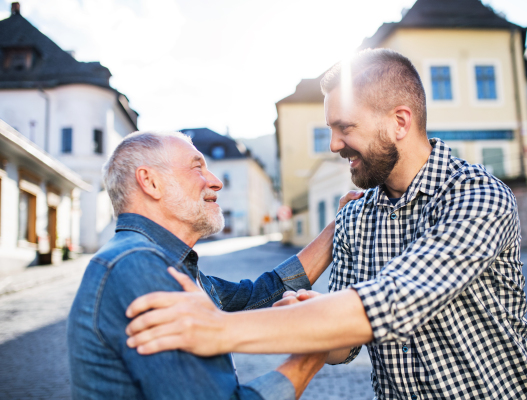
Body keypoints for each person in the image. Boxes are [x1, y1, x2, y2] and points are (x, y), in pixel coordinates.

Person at [125, 49, 527, 399]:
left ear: (399, 122)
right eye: (331, 129)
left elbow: (398, 299)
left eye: (345, 128)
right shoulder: (356, 217)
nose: (334, 145)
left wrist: (220, 331)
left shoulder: (477, 196)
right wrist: (310, 315)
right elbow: (345, 347)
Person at [67, 130, 360, 400]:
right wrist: (315, 346)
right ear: (150, 182)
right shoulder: (138, 266)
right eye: (197, 168)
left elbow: (264, 293)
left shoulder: (171, 265)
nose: (216, 181)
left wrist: (338, 227)